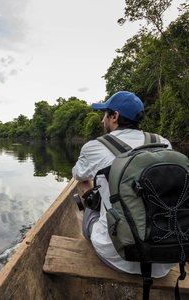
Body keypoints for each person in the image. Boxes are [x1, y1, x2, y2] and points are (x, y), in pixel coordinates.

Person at [72, 91, 175, 278]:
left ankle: (94, 224)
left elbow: (77, 174)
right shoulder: (163, 143)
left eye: (105, 114)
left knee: (88, 194)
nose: (102, 120)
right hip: (166, 259)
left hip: (117, 255)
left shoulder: (95, 146)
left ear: (115, 116)